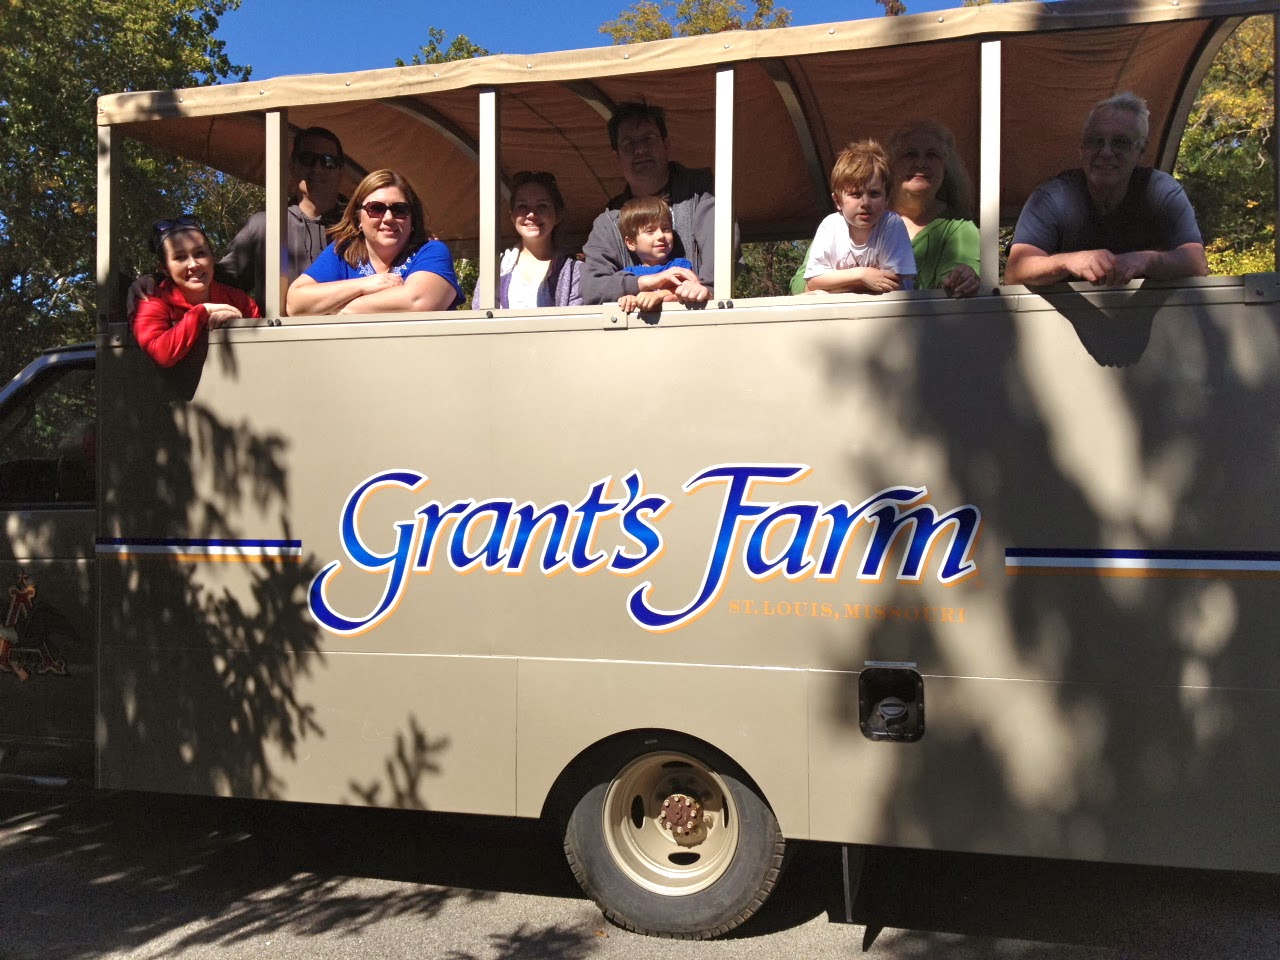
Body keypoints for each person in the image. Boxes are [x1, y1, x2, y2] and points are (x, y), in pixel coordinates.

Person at [1004, 91, 1208, 286]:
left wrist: (1146, 260)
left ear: (1141, 151)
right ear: (1081, 149)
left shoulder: (1161, 192)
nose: (1106, 152)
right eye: (1095, 141)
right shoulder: (1053, 197)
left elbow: (1197, 263)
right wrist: (1069, 261)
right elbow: (1014, 272)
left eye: (1120, 143)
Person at [790, 121, 980, 297]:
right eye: (910, 154)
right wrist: (861, 278)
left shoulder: (959, 229)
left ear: (945, 167)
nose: (921, 163)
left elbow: (953, 288)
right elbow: (802, 286)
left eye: (932, 155)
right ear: (890, 165)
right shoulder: (837, 224)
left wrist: (963, 279)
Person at [581, 102, 715, 306]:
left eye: (648, 139)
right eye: (629, 144)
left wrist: (705, 290)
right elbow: (592, 288)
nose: (640, 150)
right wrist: (646, 282)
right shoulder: (608, 222)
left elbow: (720, 262)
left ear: (666, 145)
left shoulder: (701, 195)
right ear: (616, 156)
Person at [286, 169, 463, 316]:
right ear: (359, 218)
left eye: (399, 210)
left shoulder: (431, 251)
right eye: (376, 209)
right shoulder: (343, 252)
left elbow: (418, 302)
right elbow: (295, 304)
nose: (388, 218)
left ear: (412, 218)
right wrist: (364, 285)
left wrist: (338, 309)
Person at [217, 126, 348, 308]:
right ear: (293, 166)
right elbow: (219, 288)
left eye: (328, 161)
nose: (317, 168)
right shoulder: (265, 226)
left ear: (340, 171)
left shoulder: (361, 226)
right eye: (307, 159)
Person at [131, 216, 261, 367]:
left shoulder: (238, 300)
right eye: (180, 257)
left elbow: (264, 347)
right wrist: (202, 312)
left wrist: (239, 324)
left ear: (212, 257)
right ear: (164, 269)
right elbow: (160, 353)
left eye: (200, 253)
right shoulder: (150, 300)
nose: (193, 264)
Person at [799, 139, 916, 294]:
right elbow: (813, 281)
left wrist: (833, 288)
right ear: (838, 201)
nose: (865, 202)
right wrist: (861, 275)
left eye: (874, 194)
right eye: (856, 194)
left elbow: (892, 283)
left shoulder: (891, 224)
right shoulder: (830, 226)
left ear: (887, 198)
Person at [492, 171, 582, 309]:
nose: (531, 214)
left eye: (542, 206)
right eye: (522, 206)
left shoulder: (575, 270)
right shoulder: (496, 268)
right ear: (512, 216)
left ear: (558, 215)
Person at [616, 196, 708, 312]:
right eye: (650, 231)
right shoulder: (628, 275)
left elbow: (686, 290)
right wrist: (628, 299)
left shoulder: (679, 266)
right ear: (631, 243)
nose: (661, 236)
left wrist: (659, 295)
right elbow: (616, 293)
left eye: (666, 229)